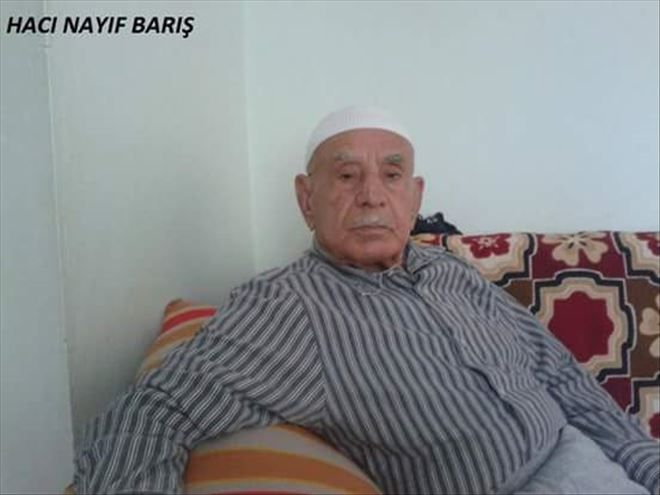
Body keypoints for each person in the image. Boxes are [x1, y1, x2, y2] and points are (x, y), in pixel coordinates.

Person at [74, 106, 659, 494]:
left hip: (586, 457)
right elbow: (148, 416)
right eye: (347, 175)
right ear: (307, 199)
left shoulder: (446, 269)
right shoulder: (288, 307)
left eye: (393, 175)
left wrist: (647, 464)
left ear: (416, 196)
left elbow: (558, 373)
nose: (373, 196)